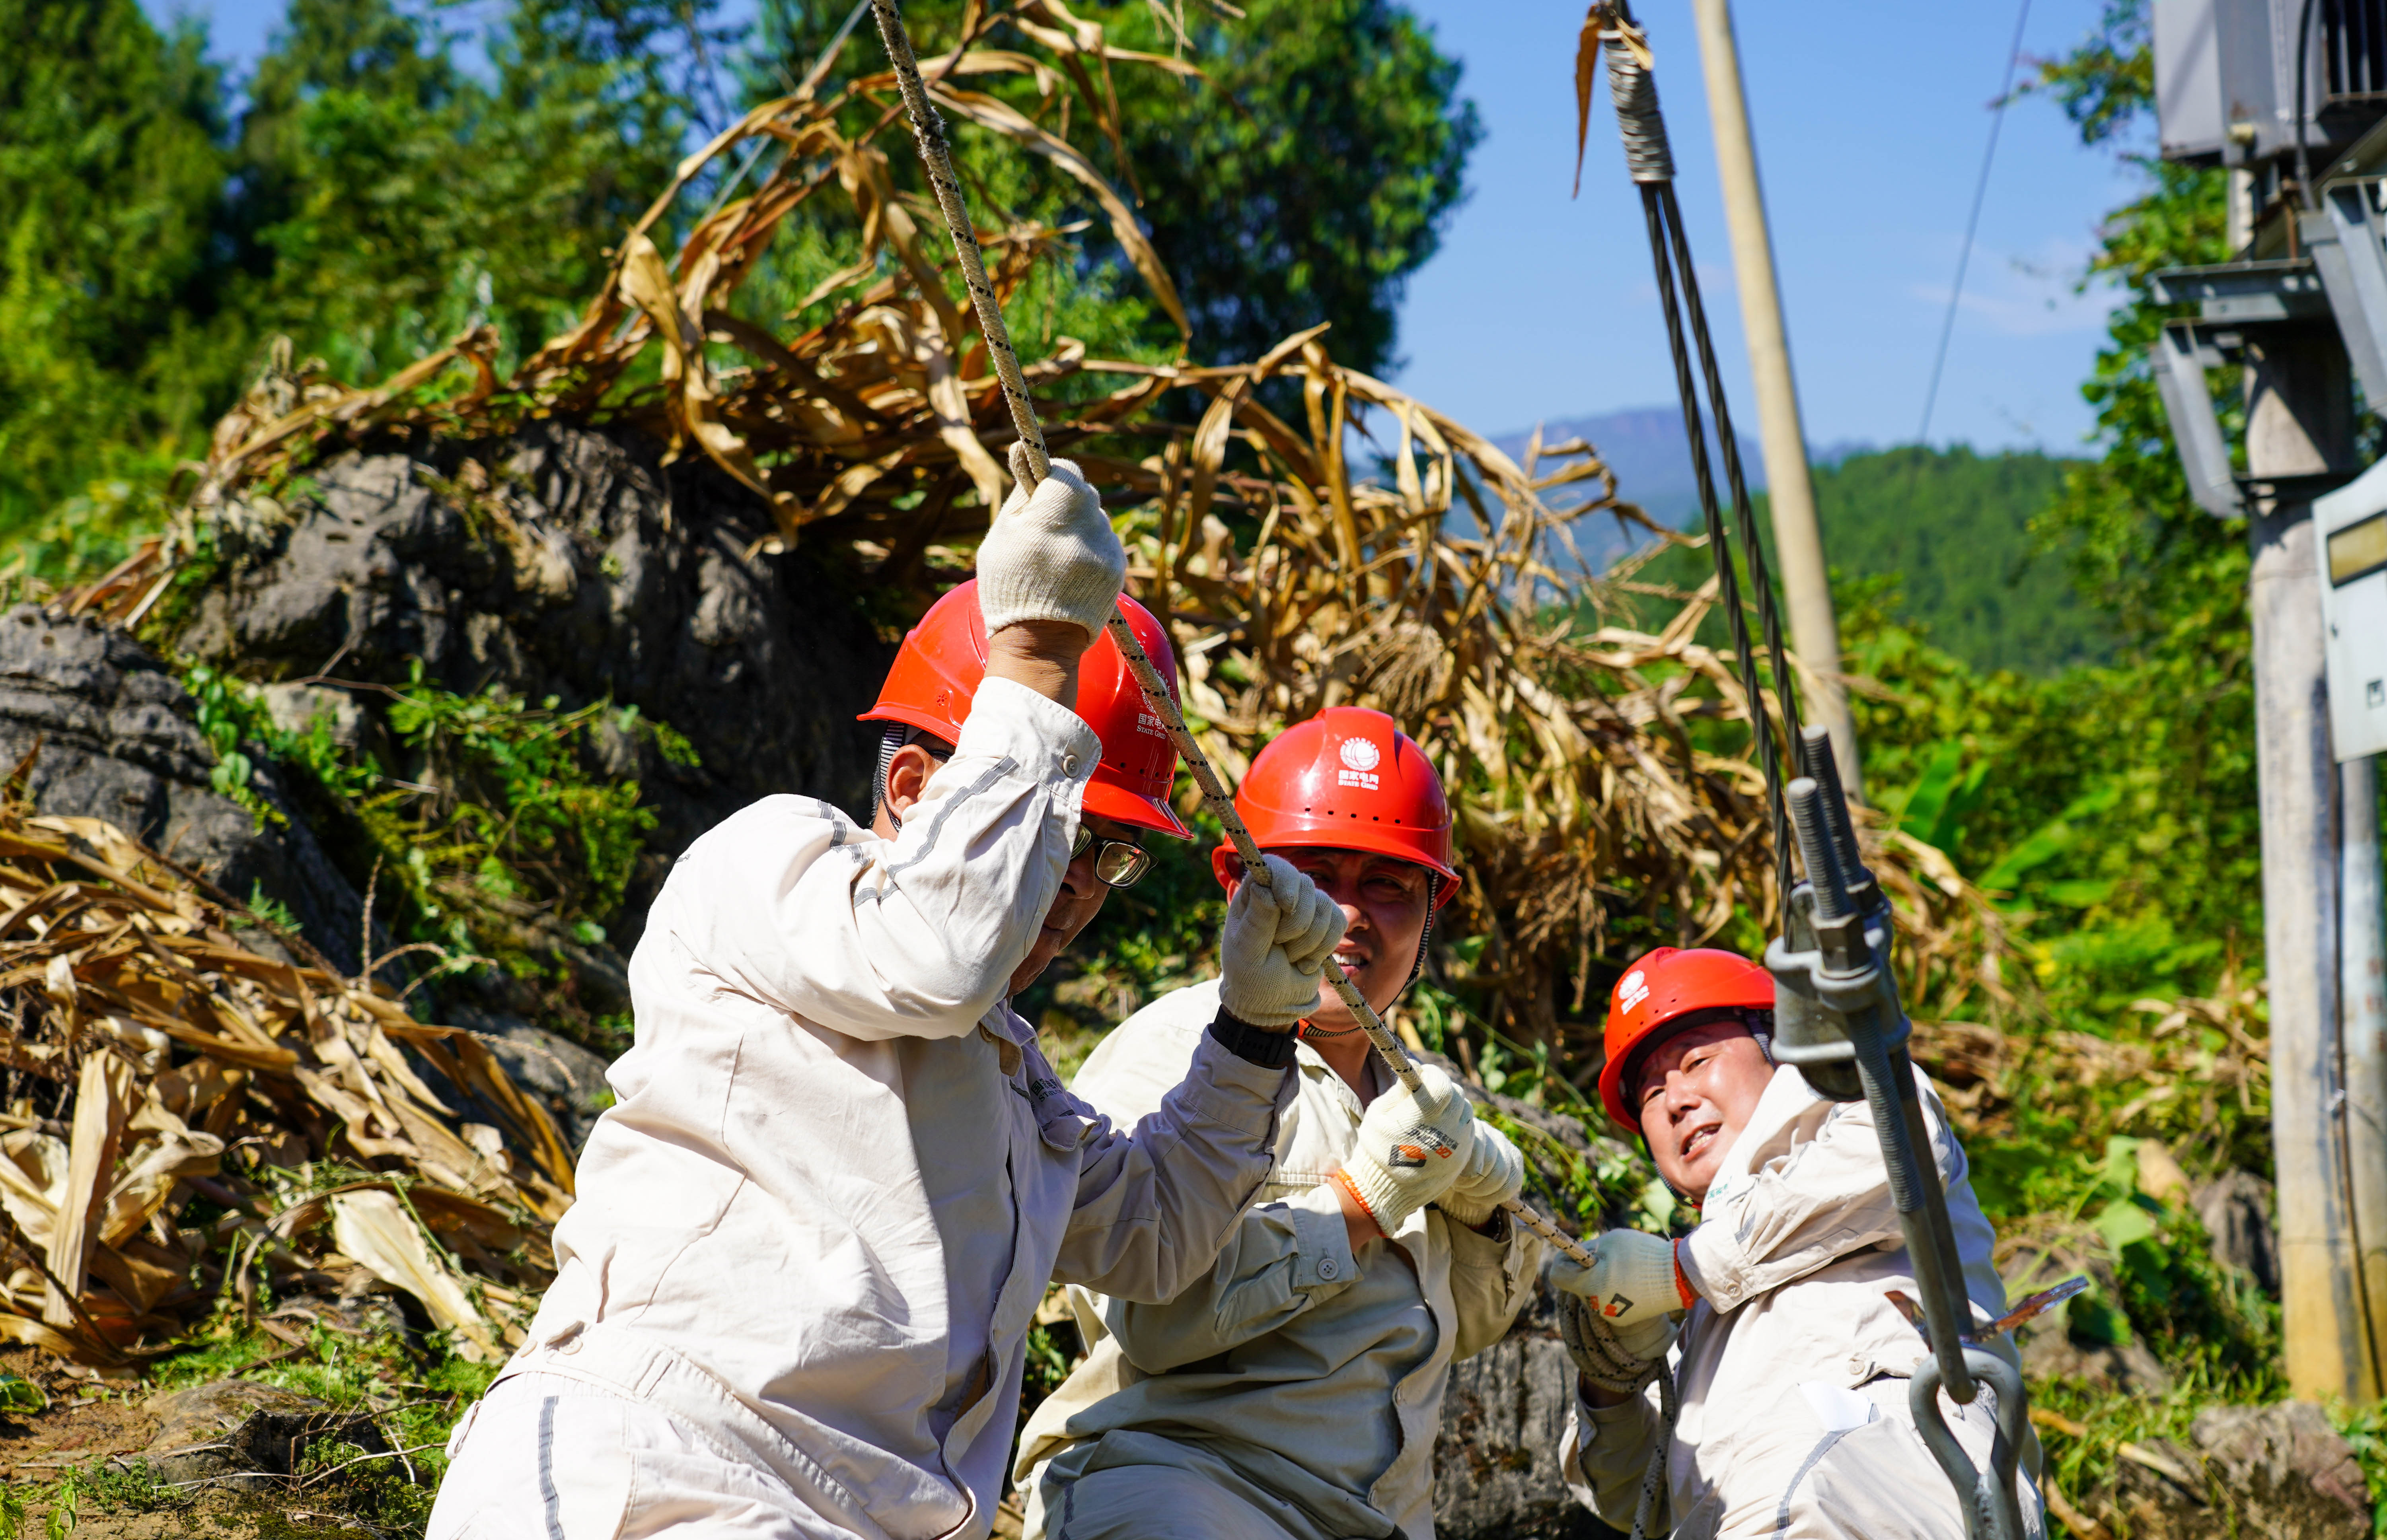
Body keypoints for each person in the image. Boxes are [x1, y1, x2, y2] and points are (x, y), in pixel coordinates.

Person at [424, 458, 1455, 1540]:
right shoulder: (777, 863)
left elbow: (1155, 1236)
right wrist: (1035, 656)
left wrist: (1252, 1027)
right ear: (914, 788)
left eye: (1110, 855)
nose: (1077, 889)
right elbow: (937, 949)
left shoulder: (1009, 1080)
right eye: (1066, 834)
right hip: (666, 1466)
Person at [1014, 707, 1534, 1540]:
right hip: (1179, 1484)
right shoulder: (1169, 1055)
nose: (1348, 913)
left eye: (1388, 884)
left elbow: (1464, 1326)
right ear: (1241, 885)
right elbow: (1156, 1316)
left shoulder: (1415, 1094)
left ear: (1433, 905)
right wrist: (1363, 1201)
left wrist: (1485, 1207)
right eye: (1316, 873)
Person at [1549, 946, 2044, 1539]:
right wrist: (1612, 1376)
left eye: (1698, 1059)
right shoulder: (1697, 1317)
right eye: (1651, 1095)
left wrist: (1682, 1271)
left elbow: (1899, 1159)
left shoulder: (1859, 1110)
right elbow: (1636, 1498)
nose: (1676, 1100)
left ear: (1779, 1048)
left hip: (1889, 1484)